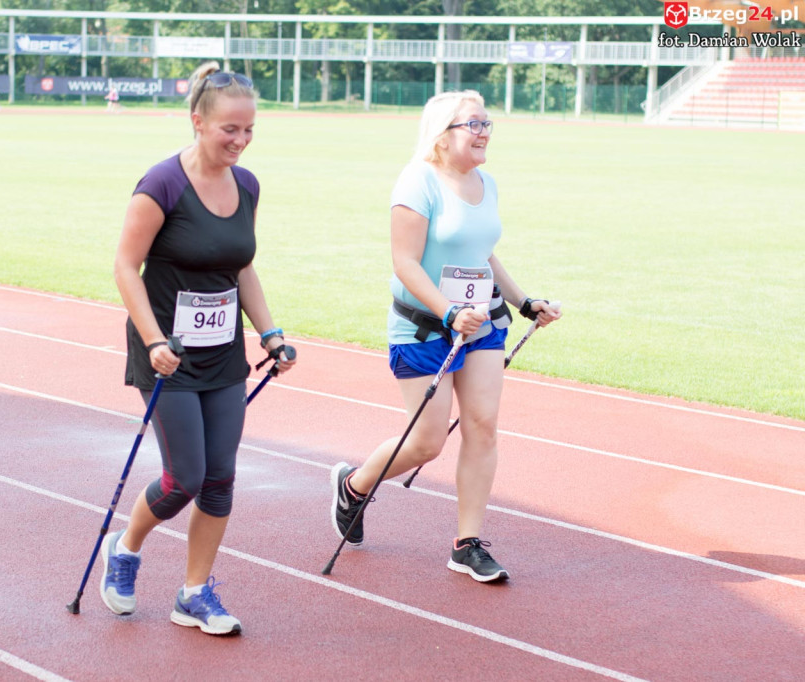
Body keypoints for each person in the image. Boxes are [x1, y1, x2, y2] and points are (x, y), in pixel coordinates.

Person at [330, 90, 561, 583]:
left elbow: (484, 254)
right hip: (424, 326)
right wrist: (450, 311)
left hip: (483, 325)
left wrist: (524, 302)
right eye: (473, 124)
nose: (483, 132)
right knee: (427, 442)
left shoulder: (487, 183)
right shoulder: (418, 180)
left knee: (483, 425)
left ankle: (466, 544)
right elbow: (405, 263)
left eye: (486, 123)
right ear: (442, 134)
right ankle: (354, 486)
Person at [102, 61, 294, 636]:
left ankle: (193, 593)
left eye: (249, 129)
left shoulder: (247, 185)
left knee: (220, 478)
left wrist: (270, 333)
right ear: (198, 121)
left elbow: (242, 267)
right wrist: (153, 340)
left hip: (223, 354)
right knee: (184, 476)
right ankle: (126, 547)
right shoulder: (161, 185)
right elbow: (125, 267)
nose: (241, 140)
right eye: (229, 129)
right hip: (168, 355)